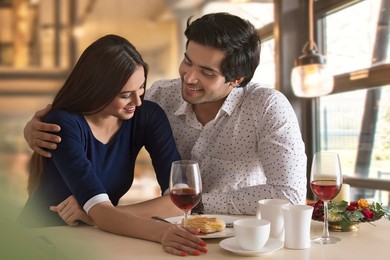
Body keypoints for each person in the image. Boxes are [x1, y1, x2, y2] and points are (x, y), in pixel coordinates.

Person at [24, 13, 307, 217]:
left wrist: (195, 202)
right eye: (187, 61)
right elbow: (98, 108)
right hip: (173, 224)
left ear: (237, 80)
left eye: (206, 72)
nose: (189, 77)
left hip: (243, 232)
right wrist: (35, 129)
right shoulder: (161, 95)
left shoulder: (267, 107)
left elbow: (289, 194)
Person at [18, 34, 207, 257]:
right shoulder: (63, 124)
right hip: (41, 240)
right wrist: (159, 230)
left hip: (99, 237)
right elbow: (100, 210)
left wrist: (105, 216)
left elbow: (178, 201)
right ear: (97, 90)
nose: (137, 102)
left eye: (141, 88)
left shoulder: (147, 115)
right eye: (125, 95)